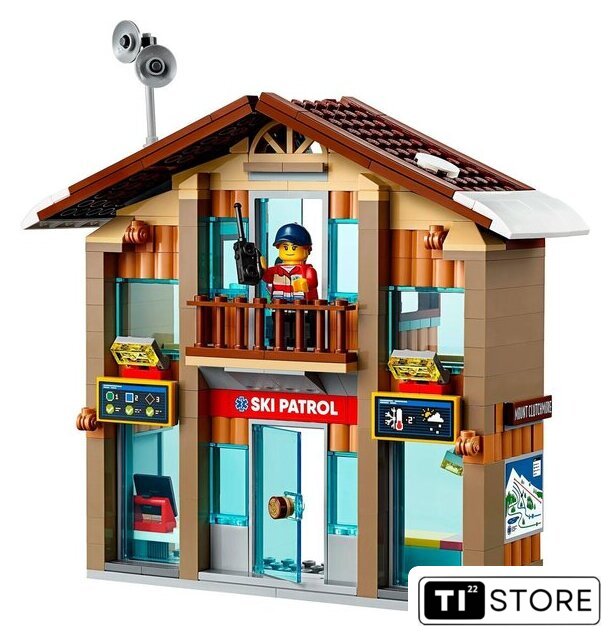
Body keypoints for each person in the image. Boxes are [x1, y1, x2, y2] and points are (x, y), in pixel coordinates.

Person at [261, 223, 319, 301]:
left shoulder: (308, 270)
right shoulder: (275, 270)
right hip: (279, 303)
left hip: (302, 304)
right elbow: (268, 278)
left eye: (294, 248)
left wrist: (305, 283)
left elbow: (313, 282)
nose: (289, 251)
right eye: (285, 247)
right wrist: (263, 270)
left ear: (307, 249)